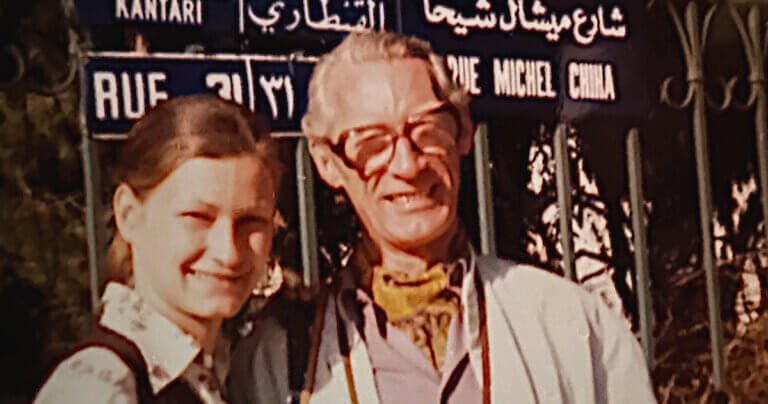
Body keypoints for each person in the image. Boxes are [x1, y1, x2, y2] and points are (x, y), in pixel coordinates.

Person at [230, 31, 656, 403]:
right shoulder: (280, 358)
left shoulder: (570, 323)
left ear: (464, 133)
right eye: (372, 143)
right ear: (327, 164)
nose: (408, 165)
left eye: (428, 130)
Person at [35, 95, 285, 404]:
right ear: (128, 215)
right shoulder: (97, 388)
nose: (228, 252)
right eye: (198, 217)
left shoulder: (222, 373)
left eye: (251, 221)